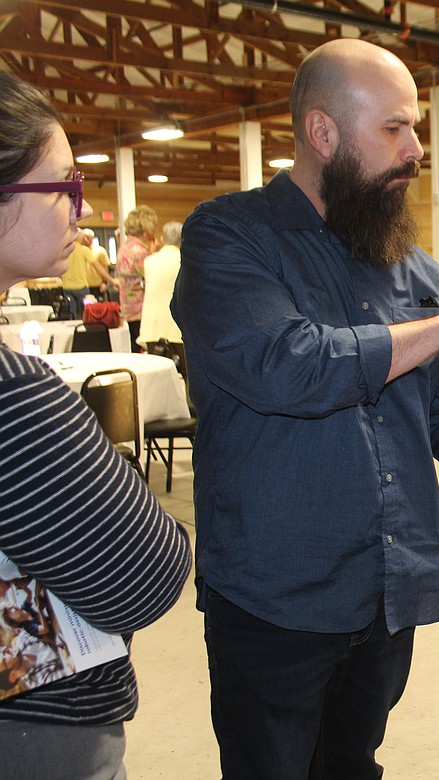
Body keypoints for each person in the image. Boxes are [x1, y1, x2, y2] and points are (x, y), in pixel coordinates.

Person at [171, 38, 439, 780]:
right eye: (395, 129)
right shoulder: (231, 237)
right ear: (323, 133)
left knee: (353, 765)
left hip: (383, 592)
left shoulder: (409, 265)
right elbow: (288, 366)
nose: (416, 148)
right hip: (276, 598)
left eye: (416, 129)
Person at [0, 70, 192, 778]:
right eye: (64, 185)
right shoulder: (15, 396)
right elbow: (146, 573)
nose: (80, 211)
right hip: (33, 730)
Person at [116, 204, 159, 349]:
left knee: (134, 345)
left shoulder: (125, 246)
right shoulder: (139, 251)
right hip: (140, 308)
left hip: (128, 306)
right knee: (143, 347)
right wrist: (153, 253)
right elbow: (152, 277)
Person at [136, 220, 183, 347]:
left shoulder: (149, 261)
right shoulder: (186, 261)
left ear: (162, 239)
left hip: (152, 325)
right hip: (177, 326)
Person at [80, 229, 117, 302]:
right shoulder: (80, 251)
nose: (84, 239)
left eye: (86, 237)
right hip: (83, 285)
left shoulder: (100, 251)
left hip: (97, 285)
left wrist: (104, 283)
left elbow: (105, 267)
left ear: (90, 238)